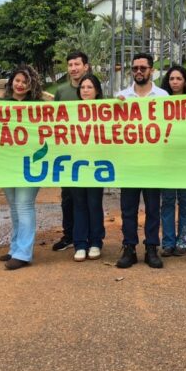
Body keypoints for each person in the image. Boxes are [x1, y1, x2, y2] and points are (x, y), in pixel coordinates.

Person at [113, 52, 169, 269]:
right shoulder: (121, 96)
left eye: (143, 68)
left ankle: (151, 247)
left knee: (153, 207)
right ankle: (129, 247)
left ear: (151, 70)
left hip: (154, 162)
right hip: (129, 161)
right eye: (135, 68)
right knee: (128, 208)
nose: (138, 71)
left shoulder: (163, 96)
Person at [0, 65, 45, 270]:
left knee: (24, 205)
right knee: (14, 207)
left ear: (32, 85)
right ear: (11, 82)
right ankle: (15, 247)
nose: (20, 85)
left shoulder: (40, 107)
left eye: (25, 82)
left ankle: (23, 253)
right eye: (17, 80)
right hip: (7, 163)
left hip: (31, 163)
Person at [50, 50, 90, 253]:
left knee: (89, 197)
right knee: (68, 197)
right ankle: (69, 235)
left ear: (86, 67)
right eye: (70, 65)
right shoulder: (61, 91)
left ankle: (90, 236)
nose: (73, 68)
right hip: (67, 153)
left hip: (90, 153)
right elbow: (54, 119)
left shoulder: (93, 88)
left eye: (77, 64)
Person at [70, 73, 106, 262]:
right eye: (82, 87)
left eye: (89, 87)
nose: (85, 90)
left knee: (94, 203)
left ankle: (95, 242)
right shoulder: (70, 111)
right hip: (75, 165)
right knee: (79, 204)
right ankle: (80, 243)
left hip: (98, 166)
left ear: (97, 91)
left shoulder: (106, 111)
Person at [158, 64, 186, 258]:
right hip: (167, 158)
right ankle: (168, 242)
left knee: (185, 200)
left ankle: (184, 240)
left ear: (185, 82)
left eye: (179, 78)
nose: (175, 82)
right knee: (168, 200)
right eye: (171, 78)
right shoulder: (160, 102)